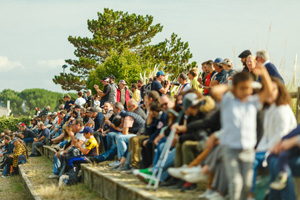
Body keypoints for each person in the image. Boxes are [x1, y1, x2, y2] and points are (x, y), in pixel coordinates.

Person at [211, 63, 273, 200]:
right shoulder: (228, 100)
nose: (246, 91)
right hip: (230, 149)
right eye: (242, 88)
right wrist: (232, 86)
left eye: (248, 88)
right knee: (236, 183)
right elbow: (215, 91)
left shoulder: (253, 102)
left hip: (248, 150)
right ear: (235, 89)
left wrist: (264, 74)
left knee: (246, 184)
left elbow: (268, 91)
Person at [248, 77, 297, 199]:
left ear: (279, 91)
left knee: (253, 161)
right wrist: (258, 149)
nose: (269, 92)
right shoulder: (270, 109)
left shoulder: (282, 110)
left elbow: (281, 136)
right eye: (266, 89)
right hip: (270, 147)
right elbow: (266, 136)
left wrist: (262, 151)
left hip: (283, 148)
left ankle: (251, 194)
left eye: (273, 89)